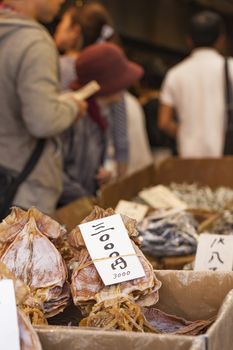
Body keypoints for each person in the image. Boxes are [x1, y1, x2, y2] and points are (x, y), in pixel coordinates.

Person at [0, 0, 87, 214]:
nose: (61, 2)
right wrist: (72, 107)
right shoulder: (34, 42)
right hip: (22, 188)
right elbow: (43, 121)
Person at [59, 43, 143, 206]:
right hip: (63, 212)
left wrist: (102, 175)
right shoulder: (72, 116)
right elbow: (55, 174)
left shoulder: (97, 115)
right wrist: (85, 201)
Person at [54, 2, 129, 177]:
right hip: (95, 168)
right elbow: (121, 133)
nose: (57, 30)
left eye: (62, 25)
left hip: (61, 170)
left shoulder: (58, 66)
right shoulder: (109, 67)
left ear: (76, 31)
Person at [159, 11, 231, 158]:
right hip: (226, 158)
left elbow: (164, 122)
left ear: (189, 40)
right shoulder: (230, 68)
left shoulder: (175, 74)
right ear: (221, 40)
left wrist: (187, 134)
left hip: (188, 158)